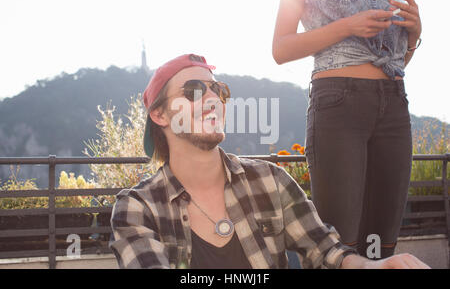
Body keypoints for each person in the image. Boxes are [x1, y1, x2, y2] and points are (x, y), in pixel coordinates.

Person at [109, 53, 429, 269]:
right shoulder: (137, 208)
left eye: (217, 89)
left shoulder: (269, 181)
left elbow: (329, 252)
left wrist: (378, 266)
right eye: (193, 90)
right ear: (160, 114)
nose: (211, 98)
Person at [272, 0, 422, 258]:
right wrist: (348, 26)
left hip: (394, 104)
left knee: (383, 242)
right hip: (338, 103)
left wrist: (414, 33)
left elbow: (395, 60)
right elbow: (280, 48)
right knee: (338, 244)